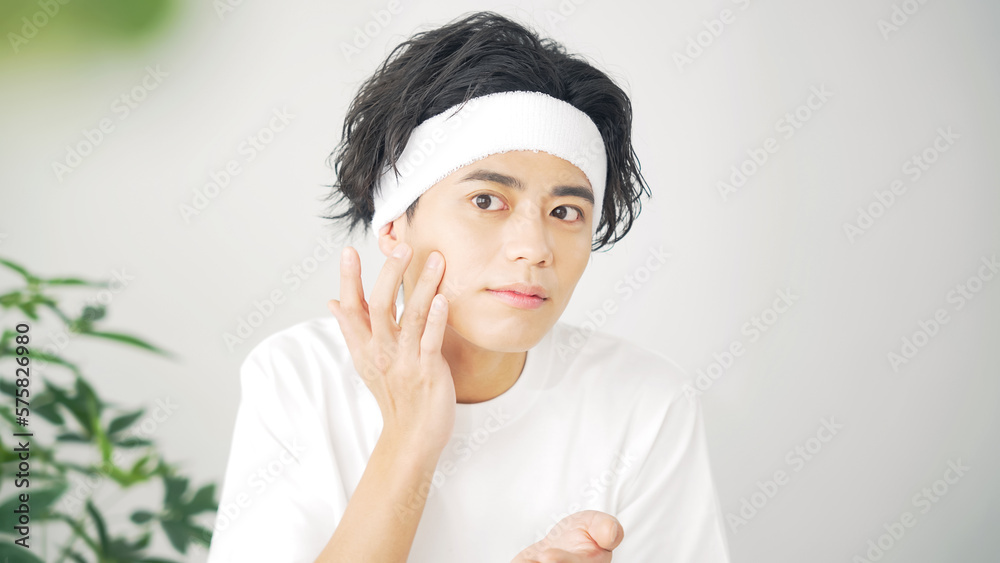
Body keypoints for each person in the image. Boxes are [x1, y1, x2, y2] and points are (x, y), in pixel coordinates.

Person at [206, 11, 730, 563]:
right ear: (394, 223)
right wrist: (409, 437)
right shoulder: (300, 377)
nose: (534, 247)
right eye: (486, 201)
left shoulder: (645, 401)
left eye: (565, 211)